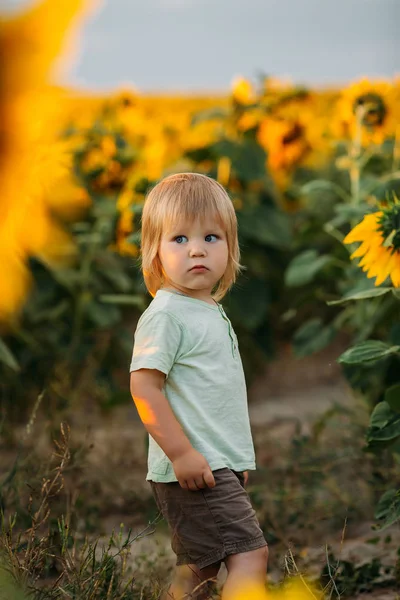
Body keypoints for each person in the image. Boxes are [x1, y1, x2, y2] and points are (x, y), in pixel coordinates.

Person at [129, 172, 268, 600]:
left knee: (200, 567)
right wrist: (183, 454)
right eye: (179, 239)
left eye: (211, 237)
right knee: (250, 555)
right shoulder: (167, 314)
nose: (196, 249)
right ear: (154, 252)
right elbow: (144, 388)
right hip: (192, 466)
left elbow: (210, 397)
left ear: (230, 248)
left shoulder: (205, 308)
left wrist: (232, 457)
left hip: (213, 463)